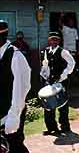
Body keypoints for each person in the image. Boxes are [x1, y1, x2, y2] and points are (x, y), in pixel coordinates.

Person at [0, 20, 31, 153]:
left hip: (11, 112)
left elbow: (20, 89)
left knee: (15, 146)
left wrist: (13, 117)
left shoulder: (15, 55)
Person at [40, 31, 75, 135]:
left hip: (61, 82)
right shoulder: (46, 51)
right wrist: (44, 76)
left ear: (59, 41)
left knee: (62, 105)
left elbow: (72, 63)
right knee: (48, 105)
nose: (54, 41)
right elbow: (45, 65)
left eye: (56, 39)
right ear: (49, 40)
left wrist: (63, 76)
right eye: (52, 39)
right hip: (50, 82)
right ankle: (51, 128)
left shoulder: (63, 52)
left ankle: (65, 127)